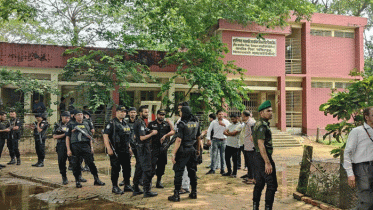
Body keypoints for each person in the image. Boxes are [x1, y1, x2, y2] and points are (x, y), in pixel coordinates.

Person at [168, 106, 202, 202]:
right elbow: (198, 137)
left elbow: (178, 140)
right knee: (192, 172)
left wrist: (173, 153)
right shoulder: (196, 122)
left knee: (178, 172)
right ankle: (194, 192)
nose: (180, 113)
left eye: (180, 111)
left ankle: (176, 194)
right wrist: (198, 149)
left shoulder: (182, 124)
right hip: (192, 149)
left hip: (183, 150)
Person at [66, 110, 105, 188]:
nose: (80, 116)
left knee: (91, 163)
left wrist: (91, 147)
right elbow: (67, 137)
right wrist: (68, 149)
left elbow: (89, 136)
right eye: (78, 115)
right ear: (75, 116)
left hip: (85, 145)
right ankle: (77, 181)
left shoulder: (86, 123)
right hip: (75, 146)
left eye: (81, 114)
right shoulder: (70, 124)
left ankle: (96, 179)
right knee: (76, 164)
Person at [344, 107, 373, 209]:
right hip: (362, 168)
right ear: (366, 117)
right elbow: (347, 153)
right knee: (367, 202)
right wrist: (350, 174)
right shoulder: (357, 131)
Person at [252, 100, 277, 210]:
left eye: (271, 111)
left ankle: (255, 206)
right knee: (272, 185)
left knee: (260, 183)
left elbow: (252, 138)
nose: (271, 113)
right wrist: (267, 162)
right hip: (263, 157)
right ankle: (268, 208)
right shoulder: (262, 126)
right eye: (268, 111)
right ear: (261, 113)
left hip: (257, 156)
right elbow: (261, 144)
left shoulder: (257, 124)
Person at [103, 105, 134, 194]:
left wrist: (129, 147)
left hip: (125, 150)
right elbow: (105, 135)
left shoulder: (125, 123)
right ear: (116, 112)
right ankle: (115, 187)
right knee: (116, 169)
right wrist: (108, 148)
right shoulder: (112, 123)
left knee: (127, 168)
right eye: (121, 111)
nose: (123, 113)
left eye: (124, 112)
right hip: (115, 150)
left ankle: (127, 185)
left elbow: (127, 137)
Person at [132, 105, 158, 197]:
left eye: (148, 112)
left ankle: (136, 188)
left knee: (139, 168)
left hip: (140, 148)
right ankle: (147, 191)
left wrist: (151, 131)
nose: (147, 113)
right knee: (147, 169)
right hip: (143, 148)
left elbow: (145, 131)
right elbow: (142, 137)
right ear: (140, 113)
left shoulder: (140, 122)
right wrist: (152, 134)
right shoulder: (140, 123)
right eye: (145, 112)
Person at [148, 109, 174, 188]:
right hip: (153, 147)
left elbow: (173, 131)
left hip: (163, 148)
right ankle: (149, 181)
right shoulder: (151, 124)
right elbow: (147, 133)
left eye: (163, 115)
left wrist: (166, 135)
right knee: (152, 165)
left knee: (161, 165)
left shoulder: (166, 124)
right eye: (160, 114)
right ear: (157, 115)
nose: (161, 116)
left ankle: (158, 181)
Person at [206, 110, 230, 175]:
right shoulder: (213, 122)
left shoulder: (226, 122)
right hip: (215, 140)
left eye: (222, 114)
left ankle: (222, 169)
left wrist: (224, 125)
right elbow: (209, 130)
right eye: (219, 114)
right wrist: (208, 139)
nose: (221, 115)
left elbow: (230, 129)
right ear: (217, 115)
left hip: (224, 140)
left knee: (223, 155)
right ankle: (212, 169)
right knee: (214, 155)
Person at [120, 107, 138, 187]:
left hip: (137, 145)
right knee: (126, 163)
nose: (133, 114)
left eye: (134, 112)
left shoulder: (139, 122)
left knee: (139, 162)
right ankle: (126, 179)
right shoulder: (124, 122)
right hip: (127, 145)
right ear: (128, 113)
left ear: (136, 113)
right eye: (131, 112)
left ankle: (138, 179)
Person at [53, 111, 71, 185]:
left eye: (68, 117)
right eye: (65, 117)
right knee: (61, 162)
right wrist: (65, 134)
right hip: (61, 145)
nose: (67, 119)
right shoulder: (57, 125)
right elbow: (54, 136)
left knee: (75, 161)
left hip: (71, 145)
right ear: (62, 117)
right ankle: (64, 177)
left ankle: (78, 177)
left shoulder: (72, 124)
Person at [223, 113, 243, 178]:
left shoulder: (239, 126)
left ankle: (234, 173)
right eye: (231, 119)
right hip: (228, 144)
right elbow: (224, 132)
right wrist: (230, 133)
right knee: (227, 158)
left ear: (237, 118)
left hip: (235, 145)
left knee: (235, 160)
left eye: (233, 119)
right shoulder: (230, 125)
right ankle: (229, 171)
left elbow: (233, 133)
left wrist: (228, 133)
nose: (232, 120)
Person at [240, 110, 256, 184]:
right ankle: (250, 177)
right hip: (247, 145)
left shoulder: (251, 123)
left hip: (251, 146)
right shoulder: (247, 123)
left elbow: (253, 134)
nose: (241, 117)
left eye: (242, 116)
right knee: (248, 162)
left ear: (246, 116)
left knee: (251, 162)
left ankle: (252, 178)